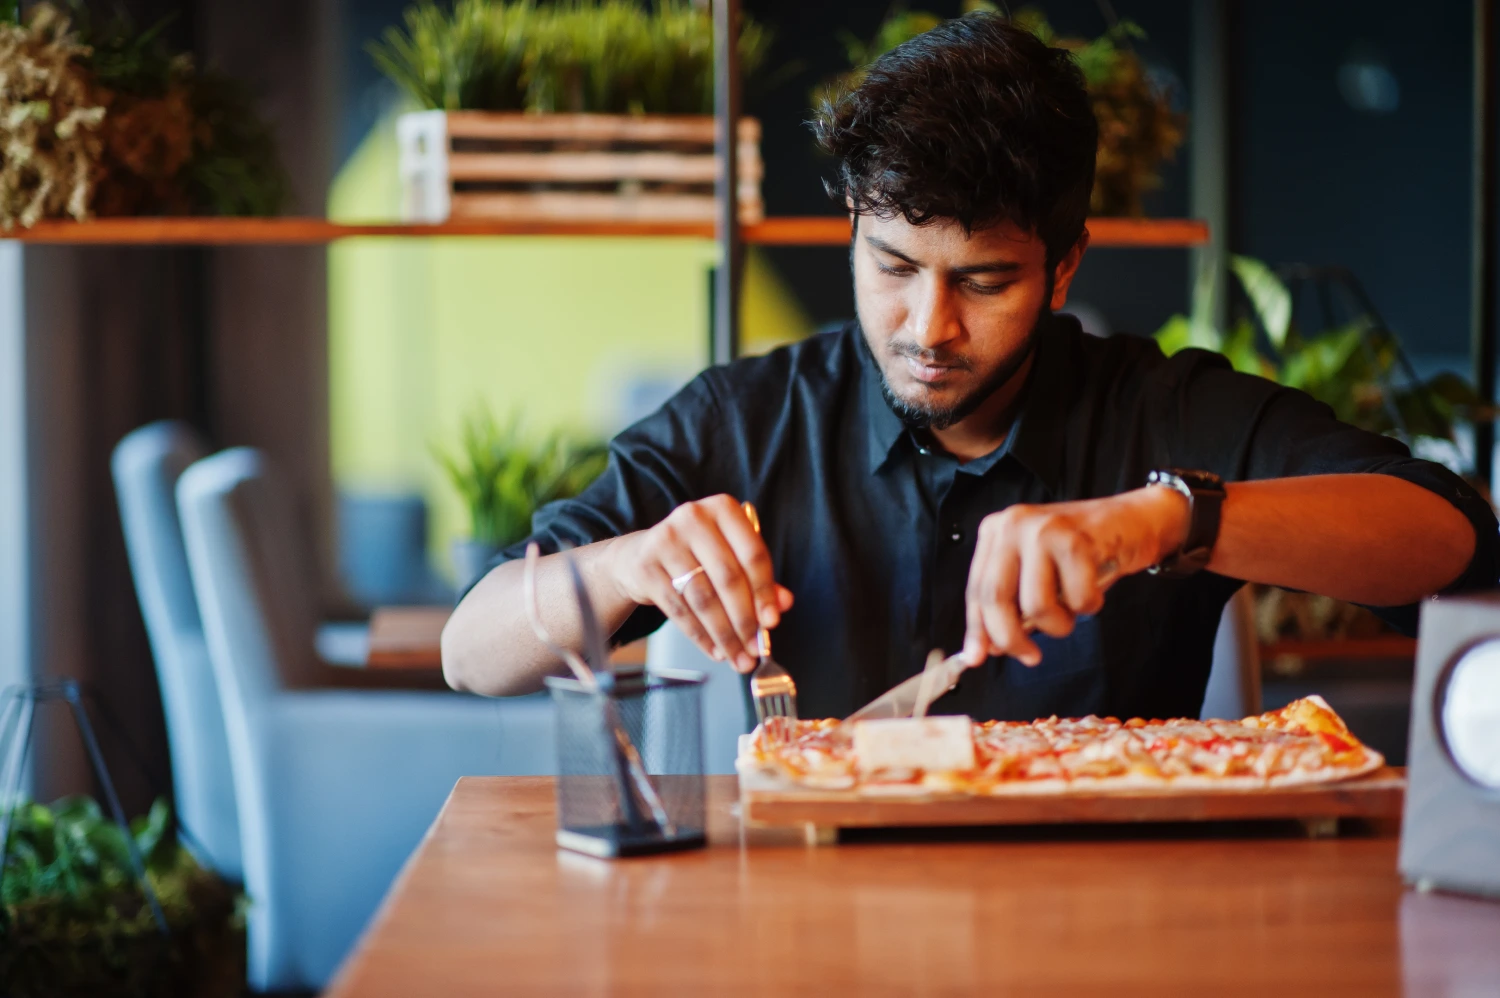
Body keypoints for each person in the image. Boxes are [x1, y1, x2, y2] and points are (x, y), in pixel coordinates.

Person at [441, 13, 1497, 722]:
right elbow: (470, 650)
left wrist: (1171, 519)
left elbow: (1448, 536)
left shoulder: (1158, 408)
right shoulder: (748, 419)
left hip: (1114, 922)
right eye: (893, 266)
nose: (928, 326)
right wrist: (625, 568)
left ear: (1064, 262)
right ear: (853, 226)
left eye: (984, 281)